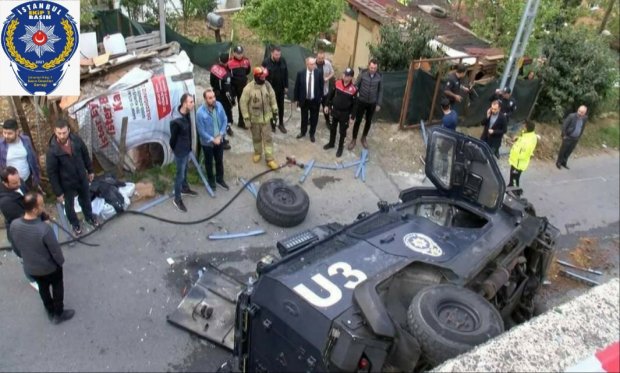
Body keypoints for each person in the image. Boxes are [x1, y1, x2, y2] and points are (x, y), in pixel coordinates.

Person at [10, 192, 75, 324]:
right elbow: (55, 251)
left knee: (43, 289)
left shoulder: (14, 224)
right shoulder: (44, 229)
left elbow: (16, 246)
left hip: (31, 267)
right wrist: (60, 263)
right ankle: (59, 313)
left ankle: (49, 310)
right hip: (49, 268)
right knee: (57, 288)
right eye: (41, 205)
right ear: (34, 209)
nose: (43, 207)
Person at [46, 119, 99, 236]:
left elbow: (85, 155)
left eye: (64, 132)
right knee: (69, 206)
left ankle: (89, 217)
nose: (62, 135)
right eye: (59, 133)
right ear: (55, 131)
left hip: (81, 177)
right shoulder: (52, 151)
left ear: (68, 130)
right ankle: (75, 224)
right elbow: (52, 173)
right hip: (66, 184)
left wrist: (90, 171)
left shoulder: (76, 140)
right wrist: (58, 192)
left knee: (85, 200)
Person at [0, 166, 38, 290]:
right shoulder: (5, 202)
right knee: (25, 257)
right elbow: (23, 218)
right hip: (20, 233)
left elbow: (29, 196)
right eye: (14, 183)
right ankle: (32, 279)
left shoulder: (19, 183)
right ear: (5, 183)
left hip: (30, 224)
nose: (18, 184)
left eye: (18, 180)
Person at [240, 67, 280, 170]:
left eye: (264, 76)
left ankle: (270, 159)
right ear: (256, 76)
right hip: (254, 120)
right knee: (256, 138)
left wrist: (275, 111)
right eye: (262, 77)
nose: (264, 78)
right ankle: (258, 152)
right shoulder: (248, 88)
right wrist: (246, 119)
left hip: (266, 119)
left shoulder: (267, 85)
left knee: (268, 139)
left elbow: (272, 97)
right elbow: (243, 104)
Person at [169, 93, 198, 212]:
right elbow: (173, 138)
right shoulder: (177, 120)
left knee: (185, 170)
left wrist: (189, 146)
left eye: (192, 101)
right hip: (180, 151)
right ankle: (177, 199)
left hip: (187, 148)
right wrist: (176, 150)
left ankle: (185, 188)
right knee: (179, 175)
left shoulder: (186, 112)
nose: (193, 104)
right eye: (191, 102)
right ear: (184, 103)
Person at [197, 89, 230, 191]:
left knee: (219, 160)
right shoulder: (200, 113)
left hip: (219, 139)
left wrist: (220, 135)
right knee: (209, 162)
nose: (213, 99)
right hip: (207, 143)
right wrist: (212, 139)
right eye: (210, 98)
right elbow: (201, 131)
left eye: (214, 97)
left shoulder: (219, 105)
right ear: (205, 99)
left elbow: (225, 119)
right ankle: (211, 181)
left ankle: (220, 179)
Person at [349, 59, 383, 150]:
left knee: (368, 121)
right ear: (368, 66)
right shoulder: (362, 74)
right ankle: (354, 139)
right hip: (361, 101)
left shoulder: (379, 76)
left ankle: (363, 138)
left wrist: (378, 103)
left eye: (375, 68)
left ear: (377, 68)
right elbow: (356, 86)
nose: (373, 69)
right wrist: (354, 98)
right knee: (358, 121)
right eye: (371, 67)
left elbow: (380, 91)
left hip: (372, 103)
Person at [323, 67, 357, 157]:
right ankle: (331, 143)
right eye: (345, 74)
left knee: (342, 132)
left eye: (348, 75)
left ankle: (340, 148)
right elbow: (330, 95)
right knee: (333, 128)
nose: (345, 76)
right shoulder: (337, 83)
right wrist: (327, 105)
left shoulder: (353, 89)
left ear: (351, 78)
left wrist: (352, 117)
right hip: (335, 111)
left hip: (345, 114)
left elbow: (355, 105)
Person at [0, 118, 41, 189]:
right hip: (11, 184)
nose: (6, 136)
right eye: (4, 133)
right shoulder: (1, 145)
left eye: (9, 133)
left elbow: (33, 159)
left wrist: (36, 176)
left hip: (27, 180)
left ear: (17, 132)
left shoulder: (26, 140)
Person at [293, 57, 324, 143]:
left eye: (314, 64)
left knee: (314, 118)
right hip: (304, 100)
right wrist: (296, 99)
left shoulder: (319, 73)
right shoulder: (301, 73)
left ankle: (312, 134)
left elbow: (321, 86)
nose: (314, 65)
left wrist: (320, 97)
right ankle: (303, 132)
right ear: (307, 64)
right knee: (304, 117)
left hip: (315, 100)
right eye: (312, 64)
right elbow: (297, 86)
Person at [210, 52, 235, 149]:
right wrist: (232, 102)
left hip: (215, 95)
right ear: (227, 61)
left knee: (217, 117)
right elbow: (227, 92)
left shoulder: (214, 68)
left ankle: (221, 139)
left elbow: (211, 82)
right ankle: (222, 141)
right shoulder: (226, 74)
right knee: (222, 120)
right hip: (223, 99)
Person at [262, 45, 289, 133]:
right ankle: (272, 124)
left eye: (279, 55)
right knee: (272, 107)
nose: (278, 56)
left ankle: (281, 124)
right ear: (272, 53)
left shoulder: (283, 60)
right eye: (276, 55)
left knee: (281, 107)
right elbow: (262, 77)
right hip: (271, 89)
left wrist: (286, 86)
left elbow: (286, 74)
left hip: (281, 89)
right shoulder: (266, 62)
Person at [227, 45, 251, 130]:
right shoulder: (229, 63)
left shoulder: (246, 61)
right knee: (229, 102)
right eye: (238, 53)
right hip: (233, 86)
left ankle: (241, 122)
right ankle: (228, 120)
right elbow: (227, 75)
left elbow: (248, 71)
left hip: (243, 86)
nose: (239, 55)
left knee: (242, 104)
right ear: (234, 53)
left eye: (241, 53)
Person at [556, 105, 588, 170]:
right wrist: (564, 135)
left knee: (569, 151)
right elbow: (564, 125)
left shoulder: (584, 118)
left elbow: (582, 127)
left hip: (575, 138)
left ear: (584, 113)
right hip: (568, 137)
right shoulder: (572, 116)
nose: (579, 113)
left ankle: (564, 162)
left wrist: (579, 136)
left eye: (582, 112)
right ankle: (558, 163)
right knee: (563, 150)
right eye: (579, 111)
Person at [508, 120, 538, 189]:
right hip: (515, 161)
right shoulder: (529, 135)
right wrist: (518, 138)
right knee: (512, 178)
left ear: (527, 128)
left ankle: (515, 192)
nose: (522, 128)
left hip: (518, 163)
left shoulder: (528, 141)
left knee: (515, 179)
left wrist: (515, 149)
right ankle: (510, 186)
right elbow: (522, 140)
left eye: (524, 126)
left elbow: (523, 153)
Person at [316, 50, 335, 130]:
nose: (321, 60)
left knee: (325, 107)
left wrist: (327, 78)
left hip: (324, 90)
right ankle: (311, 120)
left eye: (322, 58)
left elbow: (332, 72)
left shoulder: (327, 63)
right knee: (314, 107)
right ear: (316, 57)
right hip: (315, 91)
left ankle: (327, 121)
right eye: (319, 58)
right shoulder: (313, 63)